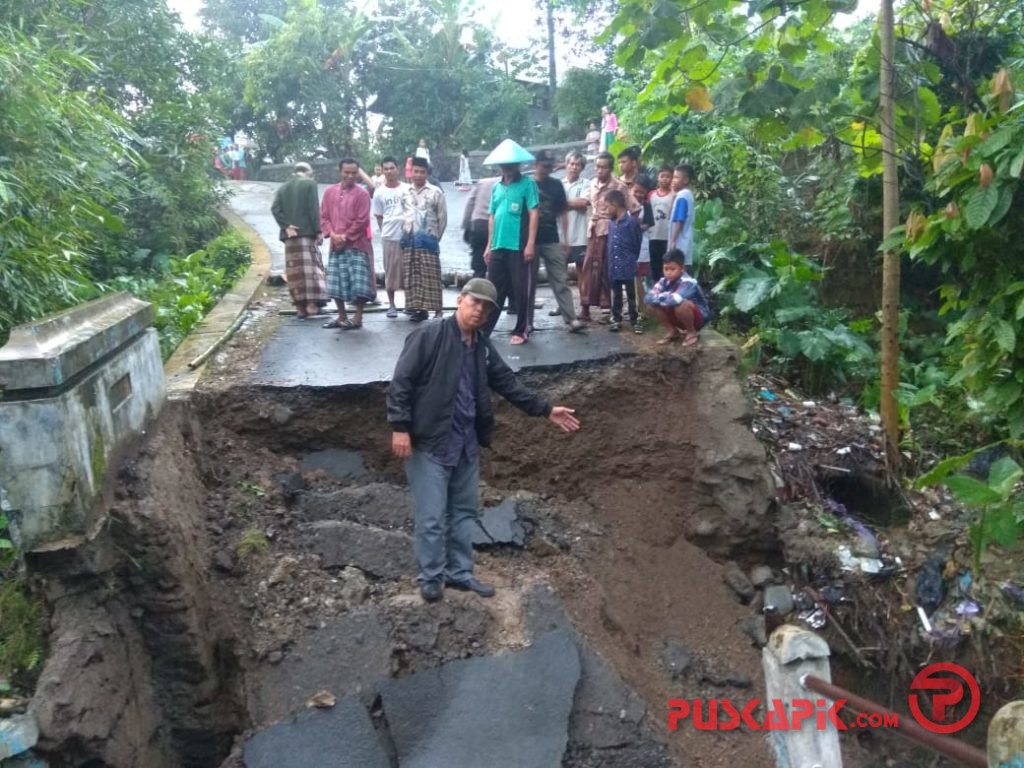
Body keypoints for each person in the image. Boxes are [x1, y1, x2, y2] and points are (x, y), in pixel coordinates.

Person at [387, 278, 582, 603]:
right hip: (430, 443)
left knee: (463, 512)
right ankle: (432, 577)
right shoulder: (429, 335)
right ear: (460, 300)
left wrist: (545, 410)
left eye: (486, 306)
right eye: (474, 302)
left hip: (465, 443)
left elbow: (506, 382)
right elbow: (401, 382)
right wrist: (400, 426)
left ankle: (460, 573)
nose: (479, 310)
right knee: (433, 516)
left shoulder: (480, 345)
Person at [480, 139, 539, 344]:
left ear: (518, 165)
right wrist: (489, 244)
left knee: (521, 289)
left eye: (511, 164)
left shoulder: (527, 184)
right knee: (493, 289)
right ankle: (484, 330)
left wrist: (530, 243)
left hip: (518, 246)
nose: (508, 167)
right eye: (504, 164)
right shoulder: (496, 187)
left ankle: (521, 329)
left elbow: (533, 213)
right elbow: (492, 216)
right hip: (498, 246)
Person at [579, 152, 634, 323]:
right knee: (588, 269)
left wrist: (623, 228)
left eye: (603, 167)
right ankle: (585, 308)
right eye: (597, 166)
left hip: (611, 232)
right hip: (594, 231)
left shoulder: (619, 186)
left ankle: (609, 311)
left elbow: (633, 207)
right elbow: (585, 202)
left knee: (607, 270)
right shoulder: (593, 183)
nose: (599, 170)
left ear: (610, 168)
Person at [533, 150, 585, 333]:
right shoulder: (528, 185)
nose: (547, 169)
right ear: (535, 165)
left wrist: (566, 240)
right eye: (544, 165)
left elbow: (563, 213)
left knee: (560, 279)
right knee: (529, 281)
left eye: (550, 165)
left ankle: (570, 318)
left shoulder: (555, 185)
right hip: (530, 241)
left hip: (551, 238)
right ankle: (526, 322)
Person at [320, 158, 373, 330]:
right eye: (346, 172)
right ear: (340, 171)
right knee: (336, 282)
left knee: (359, 284)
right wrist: (332, 234)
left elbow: (362, 220)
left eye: (353, 173)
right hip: (336, 245)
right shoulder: (329, 192)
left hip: (356, 245)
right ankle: (342, 316)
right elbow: (323, 217)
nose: (350, 176)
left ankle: (357, 318)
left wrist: (346, 237)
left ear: (358, 173)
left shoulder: (362, 194)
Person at [270, 161, 327, 318]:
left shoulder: (283, 188)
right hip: (307, 234)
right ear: (308, 171)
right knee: (311, 270)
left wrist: (286, 225)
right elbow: (313, 208)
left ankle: (300, 307)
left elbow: (275, 209)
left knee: (294, 272)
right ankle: (312, 305)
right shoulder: (309, 184)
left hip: (290, 237)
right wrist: (318, 230)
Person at [401, 156, 448, 322]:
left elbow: (442, 219)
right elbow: (403, 215)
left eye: (422, 172)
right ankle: (419, 310)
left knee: (431, 276)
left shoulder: (435, 192)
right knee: (413, 276)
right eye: (416, 171)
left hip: (428, 240)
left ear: (427, 173)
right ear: (411, 172)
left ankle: (438, 310)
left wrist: (435, 237)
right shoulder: (405, 193)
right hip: (409, 240)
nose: (419, 175)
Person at [644, 248, 713, 346]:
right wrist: (666, 298)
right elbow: (648, 298)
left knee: (681, 304)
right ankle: (672, 331)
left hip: (698, 319)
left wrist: (661, 297)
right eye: (666, 269)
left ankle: (692, 332)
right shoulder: (663, 281)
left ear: (682, 268)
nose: (668, 272)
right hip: (677, 316)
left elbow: (675, 300)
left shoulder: (689, 282)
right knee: (652, 305)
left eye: (672, 269)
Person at [371, 157, 409, 318]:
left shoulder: (407, 189)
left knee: (408, 271)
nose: (388, 171)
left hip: (407, 237)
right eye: (385, 169)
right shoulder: (379, 192)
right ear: (382, 170)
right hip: (389, 237)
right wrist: (384, 232)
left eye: (391, 168)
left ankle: (410, 304)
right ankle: (392, 305)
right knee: (390, 271)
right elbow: (379, 216)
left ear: (397, 169)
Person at [604, 190, 643, 334]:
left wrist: (632, 259)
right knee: (616, 294)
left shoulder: (631, 222)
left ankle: (636, 319)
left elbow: (636, 243)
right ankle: (616, 318)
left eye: (607, 206)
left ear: (615, 205)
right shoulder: (611, 223)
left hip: (628, 265)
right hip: (614, 265)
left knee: (633, 295)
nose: (606, 210)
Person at [561, 151, 589, 272]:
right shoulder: (559, 184)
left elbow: (583, 203)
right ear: (566, 165)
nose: (574, 167)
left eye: (578, 164)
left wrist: (561, 203)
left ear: (582, 167)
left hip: (580, 237)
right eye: (571, 163)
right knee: (561, 274)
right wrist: (574, 204)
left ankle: (584, 292)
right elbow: (554, 205)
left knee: (582, 272)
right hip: (561, 237)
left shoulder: (587, 184)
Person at [463, 177, 496, 278]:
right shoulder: (506, 183)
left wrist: (466, 226)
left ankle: (477, 285)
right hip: (497, 225)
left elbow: (470, 202)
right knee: (496, 263)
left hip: (479, 224)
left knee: (478, 261)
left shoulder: (482, 182)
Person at [648, 166, 675, 282]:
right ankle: (657, 289)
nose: (665, 179)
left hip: (667, 236)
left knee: (668, 264)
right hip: (653, 235)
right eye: (662, 176)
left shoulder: (674, 195)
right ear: (658, 178)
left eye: (668, 176)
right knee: (655, 265)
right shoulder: (651, 194)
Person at [670, 164, 697, 269]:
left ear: (685, 180)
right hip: (685, 240)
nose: (673, 180)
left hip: (680, 241)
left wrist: (673, 241)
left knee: (679, 269)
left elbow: (679, 220)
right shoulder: (686, 194)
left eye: (676, 177)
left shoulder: (683, 196)